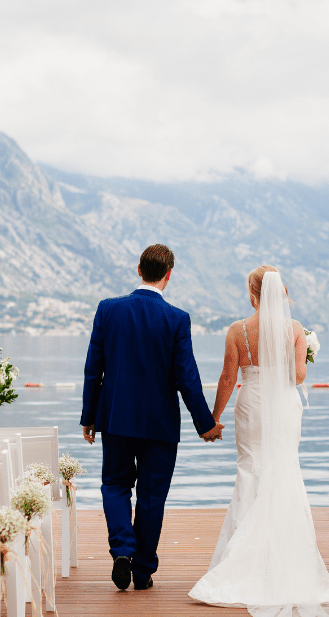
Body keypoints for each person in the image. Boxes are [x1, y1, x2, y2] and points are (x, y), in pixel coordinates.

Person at [188, 265, 329, 616]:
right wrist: (302, 351)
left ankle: (241, 557)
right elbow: (299, 376)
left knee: (250, 469)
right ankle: (284, 556)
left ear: (252, 294)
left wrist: (212, 419)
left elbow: (228, 377)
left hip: (251, 405)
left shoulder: (237, 330)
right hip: (284, 406)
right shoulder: (293, 330)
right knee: (284, 469)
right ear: (283, 293)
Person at [81, 244, 225, 592]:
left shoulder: (108, 310)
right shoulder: (177, 318)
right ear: (168, 275)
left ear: (138, 270)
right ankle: (142, 570)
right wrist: (205, 424)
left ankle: (122, 551)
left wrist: (89, 416)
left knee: (115, 485)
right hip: (160, 424)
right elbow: (186, 377)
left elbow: (92, 370)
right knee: (151, 495)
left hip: (115, 419)